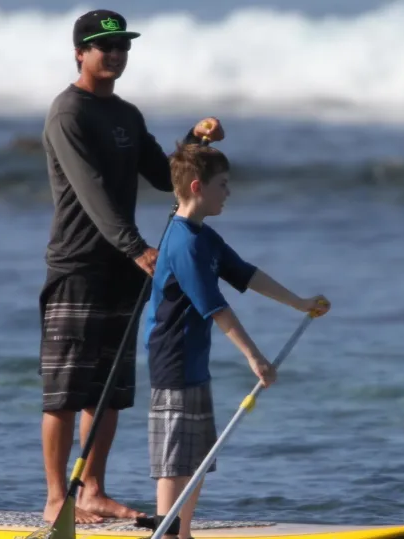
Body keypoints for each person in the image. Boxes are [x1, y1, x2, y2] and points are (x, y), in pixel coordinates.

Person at [38, 8, 226, 525]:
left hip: (122, 267)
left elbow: (165, 176)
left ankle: (92, 491)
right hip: (78, 265)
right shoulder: (67, 113)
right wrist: (137, 247)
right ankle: (58, 497)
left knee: (110, 389)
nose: (116, 54)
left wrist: (194, 142)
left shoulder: (126, 114)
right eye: (106, 47)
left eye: (123, 46)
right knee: (64, 389)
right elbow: (91, 191)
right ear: (80, 52)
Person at [142, 143, 331, 539]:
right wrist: (255, 357)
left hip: (194, 359)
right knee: (174, 457)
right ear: (198, 186)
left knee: (198, 456)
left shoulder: (205, 238)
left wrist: (298, 302)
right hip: (172, 358)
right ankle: (165, 529)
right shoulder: (184, 244)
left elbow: (246, 274)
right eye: (223, 185)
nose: (228, 192)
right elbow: (216, 307)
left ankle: (184, 533)